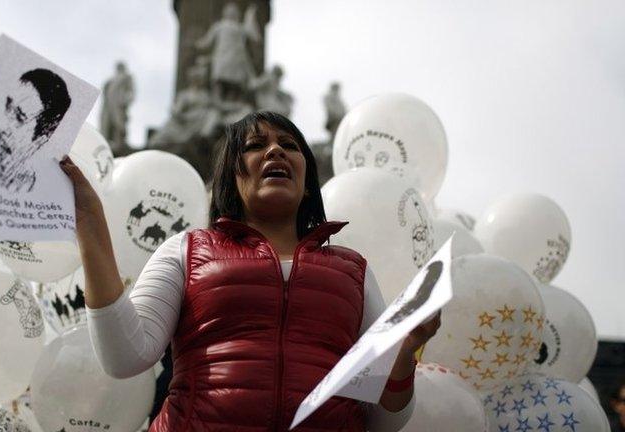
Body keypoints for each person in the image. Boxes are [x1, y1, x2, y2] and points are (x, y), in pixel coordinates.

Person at [60, 111, 440, 431]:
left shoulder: (353, 271)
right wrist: (90, 222)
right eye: (256, 146)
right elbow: (125, 356)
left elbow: (385, 420)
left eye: (289, 146)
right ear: (232, 178)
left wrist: (404, 353)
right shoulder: (187, 250)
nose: (275, 150)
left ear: (307, 182)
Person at [0, 68, 71, 193]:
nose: (2, 125)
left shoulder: (39, 194)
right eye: (7, 106)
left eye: (19, 117)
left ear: (41, 139)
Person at [100, 61, 135, 153]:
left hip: (118, 105)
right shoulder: (111, 80)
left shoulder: (127, 77)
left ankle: (119, 144)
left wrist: (125, 101)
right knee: (107, 124)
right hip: (108, 105)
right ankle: (107, 143)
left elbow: (131, 92)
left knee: (119, 124)